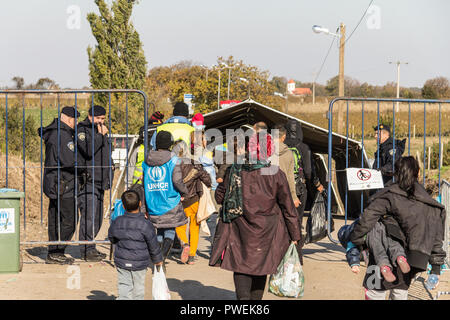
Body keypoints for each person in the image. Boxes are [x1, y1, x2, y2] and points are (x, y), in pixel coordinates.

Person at [209, 133, 301, 300]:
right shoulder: (275, 173)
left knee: (241, 264)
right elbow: (288, 207)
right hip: (267, 231)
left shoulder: (234, 169)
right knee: (261, 266)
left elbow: (219, 197)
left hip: (238, 228)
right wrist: (295, 234)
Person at [350, 156, 446, 300]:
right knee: (400, 292)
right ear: (418, 173)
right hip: (413, 257)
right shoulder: (431, 204)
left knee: (374, 291)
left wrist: (357, 241)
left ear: (395, 173)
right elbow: (436, 236)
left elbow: (367, 219)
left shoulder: (389, 195)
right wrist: (436, 268)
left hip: (381, 254)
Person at [38, 106, 81, 265]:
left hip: (55, 182)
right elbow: (69, 160)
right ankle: (57, 251)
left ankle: (53, 252)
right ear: (70, 119)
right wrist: (82, 165)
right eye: (75, 121)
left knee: (56, 218)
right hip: (63, 183)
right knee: (70, 219)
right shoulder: (62, 135)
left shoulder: (55, 132)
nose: (76, 124)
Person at [142, 130, 189, 271]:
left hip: (153, 202)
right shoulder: (174, 160)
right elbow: (177, 180)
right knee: (169, 230)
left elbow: (143, 183)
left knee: (159, 232)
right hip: (170, 201)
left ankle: (158, 260)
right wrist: (184, 191)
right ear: (169, 144)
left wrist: (144, 207)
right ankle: (161, 258)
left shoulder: (146, 160)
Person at [108, 190, 163, 300]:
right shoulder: (146, 224)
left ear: (123, 206)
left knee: (124, 286)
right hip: (140, 263)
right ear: (140, 204)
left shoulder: (117, 221)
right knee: (138, 288)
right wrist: (157, 260)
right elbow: (153, 244)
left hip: (122, 261)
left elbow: (112, 237)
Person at [77, 105, 113, 261]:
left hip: (101, 180)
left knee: (98, 218)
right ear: (90, 116)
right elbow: (88, 150)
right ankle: (86, 249)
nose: (101, 121)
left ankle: (91, 246)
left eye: (103, 119)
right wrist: (99, 135)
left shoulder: (102, 131)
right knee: (89, 216)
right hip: (89, 180)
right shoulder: (82, 130)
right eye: (98, 118)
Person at [172, 140, 212, 265]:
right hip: (194, 199)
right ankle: (192, 256)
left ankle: (184, 244)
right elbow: (207, 179)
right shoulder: (195, 163)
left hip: (178, 199)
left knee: (179, 225)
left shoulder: (172, 165)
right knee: (194, 227)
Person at [338, 219, 410, 283]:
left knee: (379, 252)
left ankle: (384, 266)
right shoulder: (356, 224)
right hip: (380, 225)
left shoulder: (350, 239)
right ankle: (400, 256)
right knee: (392, 243)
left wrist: (354, 264)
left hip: (371, 234)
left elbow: (352, 252)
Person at [284, 120, 324, 232]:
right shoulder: (304, 147)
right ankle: (296, 243)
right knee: (297, 217)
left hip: (282, 185)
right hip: (299, 187)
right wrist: (317, 184)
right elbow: (309, 171)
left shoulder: (280, 146)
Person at [132, 111, 164, 185]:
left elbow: (131, 165)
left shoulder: (139, 149)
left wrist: (128, 184)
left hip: (138, 184)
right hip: (156, 184)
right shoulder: (163, 152)